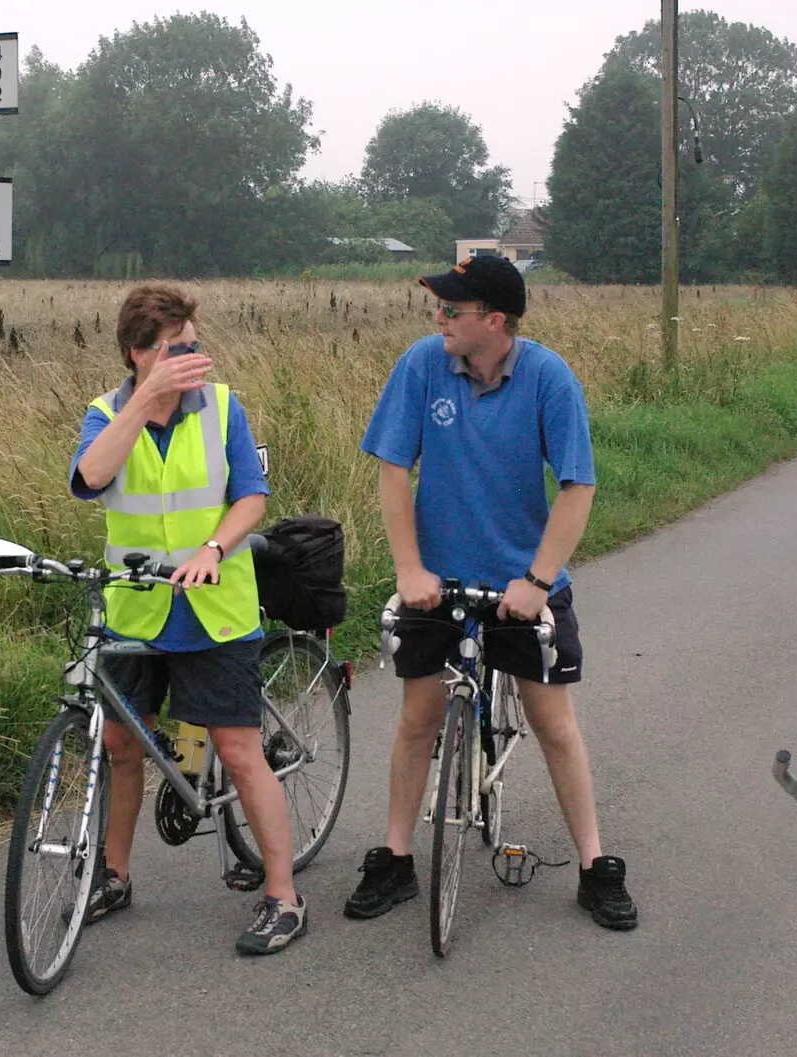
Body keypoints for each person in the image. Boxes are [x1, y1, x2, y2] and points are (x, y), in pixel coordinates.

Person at [346, 255, 638, 931]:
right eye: (439, 309)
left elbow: (577, 486)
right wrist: (408, 568)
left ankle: (595, 865)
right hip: (438, 579)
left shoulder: (548, 379)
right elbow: (393, 471)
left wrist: (537, 581)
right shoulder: (422, 365)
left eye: (453, 311)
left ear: (496, 321)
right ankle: (395, 857)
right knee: (417, 716)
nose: (438, 319)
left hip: (520, 582)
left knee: (553, 722)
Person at [69, 283, 307, 954]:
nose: (193, 359)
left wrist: (212, 549)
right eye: (177, 349)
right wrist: (145, 400)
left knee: (238, 749)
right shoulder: (106, 413)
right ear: (137, 353)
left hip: (214, 607)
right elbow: (90, 476)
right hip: (136, 611)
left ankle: (283, 895)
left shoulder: (222, 406)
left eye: (195, 345)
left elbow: (251, 498)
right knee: (120, 747)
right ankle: (114, 876)